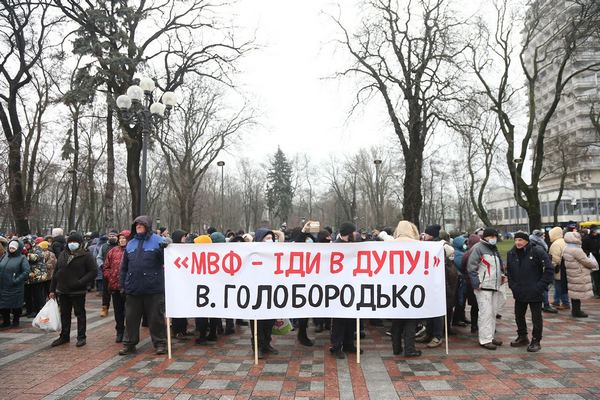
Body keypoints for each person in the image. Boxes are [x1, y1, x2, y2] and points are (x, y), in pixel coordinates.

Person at [119, 216, 168, 355]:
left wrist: (166, 248)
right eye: (136, 224)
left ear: (147, 225)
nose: (138, 226)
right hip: (133, 288)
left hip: (153, 288)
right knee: (131, 318)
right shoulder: (131, 243)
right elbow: (124, 267)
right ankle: (129, 343)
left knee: (156, 318)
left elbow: (168, 259)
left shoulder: (159, 241)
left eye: (141, 224)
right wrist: (122, 285)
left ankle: (160, 343)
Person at [507, 232, 553, 352]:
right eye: (516, 240)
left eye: (521, 240)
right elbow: (510, 272)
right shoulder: (511, 253)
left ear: (527, 240)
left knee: (536, 317)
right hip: (519, 291)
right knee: (518, 315)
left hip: (535, 291)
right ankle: (522, 336)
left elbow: (549, 269)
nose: (518, 242)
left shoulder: (537, 251)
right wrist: (513, 286)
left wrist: (540, 286)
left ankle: (536, 340)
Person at [49, 232, 96, 347]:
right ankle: (64, 336)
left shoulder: (86, 255)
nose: (72, 244)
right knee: (64, 314)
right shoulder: (62, 254)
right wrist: (52, 290)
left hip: (77, 290)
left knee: (80, 314)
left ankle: (81, 337)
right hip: (62, 290)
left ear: (80, 243)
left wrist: (80, 282)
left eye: (75, 242)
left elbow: (93, 272)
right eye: (70, 242)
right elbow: (56, 272)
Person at [467, 228, 505, 350]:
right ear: (486, 237)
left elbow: (498, 265)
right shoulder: (478, 248)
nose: (494, 238)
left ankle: (490, 335)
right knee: (485, 313)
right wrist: (476, 283)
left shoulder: (494, 249)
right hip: (483, 287)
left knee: (493, 312)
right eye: (491, 236)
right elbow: (471, 267)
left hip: (494, 286)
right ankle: (485, 339)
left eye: (495, 236)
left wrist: (502, 275)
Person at [330, 222, 361, 359]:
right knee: (339, 320)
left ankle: (349, 344)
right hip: (339, 288)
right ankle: (336, 346)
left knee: (351, 319)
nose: (355, 234)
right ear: (349, 233)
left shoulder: (353, 246)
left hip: (351, 286)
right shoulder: (336, 246)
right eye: (353, 232)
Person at [390, 221, 422, 357]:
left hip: (394, 287)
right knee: (411, 320)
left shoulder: (389, 245)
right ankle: (409, 348)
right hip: (412, 287)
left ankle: (396, 348)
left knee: (396, 320)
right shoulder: (418, 246)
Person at [251, 228, 278, 359]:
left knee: (269, 321)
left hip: (271, 292)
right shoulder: (252, 253)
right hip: (255, 293)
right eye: (267, 238)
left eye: (271, 238)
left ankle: (267, 344)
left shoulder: (275, 253)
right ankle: (258, 346)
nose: (270, 240)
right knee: (258, 323)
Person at [103, 230, 130, 343]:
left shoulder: (131, 251)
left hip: (129, 287)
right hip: (115, 286)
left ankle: (128, 333)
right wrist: (109, 276)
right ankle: (119, 331)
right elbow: (106, 266)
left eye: (124, 238)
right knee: (118, 311)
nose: (122, 240)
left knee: (129, 311)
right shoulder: (112, 251)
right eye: (120, 238)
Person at [564, 231, 597, 318]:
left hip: (571, 273)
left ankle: (575, 310)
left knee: (574, 291)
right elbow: (586, 261)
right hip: (579, 273)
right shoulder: (576, 250)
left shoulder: (566, 248)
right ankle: (577, 311)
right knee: (576, 292)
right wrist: (594, 264)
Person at [0, 240, 30, 328]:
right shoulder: (5, 256)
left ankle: (16, 321)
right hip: (3, 285)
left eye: (13, 248)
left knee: (16, 304)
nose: (11, 249)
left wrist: (16, 280)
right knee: (3, 304)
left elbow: (26, 271)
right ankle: (6, 321)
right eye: (10, 247)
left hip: (15, 286)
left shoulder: (22, 258)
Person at [97, 230, 119, 317]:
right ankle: (104, 307)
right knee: (106, 291)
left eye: (114, 236)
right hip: (107, 272)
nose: (112, 237)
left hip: (118, 273)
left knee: (117, 292)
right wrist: (102, 266)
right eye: (110, 236)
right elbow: (99, 257)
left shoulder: (120, 246)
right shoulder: (104, 246)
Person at [549, 227, 570, 310]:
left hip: (559, 269)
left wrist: (551, 267)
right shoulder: (565, 241)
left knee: (559, 286)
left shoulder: (555, 244)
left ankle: (565, 303)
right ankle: (556, 301)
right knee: (560, 285)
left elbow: (555, 259)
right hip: (566, 268)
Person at [582, 224, 600, 297]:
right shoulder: (586, 238)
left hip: (599, 258)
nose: (597, 230)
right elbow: (584, 249)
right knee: (595, 277)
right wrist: (590, 253)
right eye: (596, 229)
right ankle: (597, 292)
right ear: (592, 230)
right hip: (592, 259)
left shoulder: (599, 237)